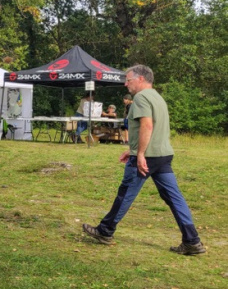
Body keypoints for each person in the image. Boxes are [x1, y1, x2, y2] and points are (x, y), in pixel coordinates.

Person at [82, 65, 206, 255]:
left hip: (147, 157)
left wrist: (139, 154)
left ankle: (105, 231)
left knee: (126, 193)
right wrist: (131, 149)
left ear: (140, 79)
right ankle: (192, 241)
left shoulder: (140, 98)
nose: (126, 84)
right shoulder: (157, 97)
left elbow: (147, 126)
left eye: (128, 80)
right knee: (175, 198)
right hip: (163, 155)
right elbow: (153, 128)